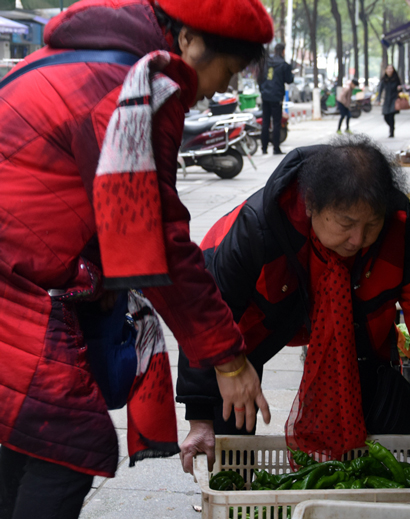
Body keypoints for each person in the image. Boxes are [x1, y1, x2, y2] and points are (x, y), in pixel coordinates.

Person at [0, 0, 273, 517]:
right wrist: (227, 357)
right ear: (190, 38)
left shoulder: (91, 57)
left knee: (26, 438)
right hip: (17, 282)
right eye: (227, 71)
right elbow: (160, 238)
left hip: (25, 269)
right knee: (68, 445)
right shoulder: (136, 86)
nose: (219, 88)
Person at [177, 136, 410, 475]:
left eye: (370, 225)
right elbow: (205, 317)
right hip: (253, 313)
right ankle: (235, 482)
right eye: (346, 224)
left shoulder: (397, 229)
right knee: (233, 393)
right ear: (312, 206)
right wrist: (200, 418)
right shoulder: (257, 227)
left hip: (345, 311)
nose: (358, 239)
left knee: (366, 400)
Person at [259, 43, 294, 155]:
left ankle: (264, 148)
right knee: (276, 123)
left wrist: (263, 90)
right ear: (283, 51)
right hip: (277, 96)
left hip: (265, 96)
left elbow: (260, 78)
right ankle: (276, 148)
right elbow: (289, 80)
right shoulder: (284, 65)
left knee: (265, 122)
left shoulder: (266, 63)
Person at [376, 64, 403, 138]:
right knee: (385, 116)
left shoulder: (396, 79)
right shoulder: (384, 79)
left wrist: (399, 89)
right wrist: (378, 99)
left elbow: (401, 89)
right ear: (386, 70)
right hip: (386, 100)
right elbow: (380, 90)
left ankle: (391, 131)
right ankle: (391, 126)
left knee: (391, 116)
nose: (389, 70)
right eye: (388, 69)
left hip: (394, 99)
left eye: (391, 69)